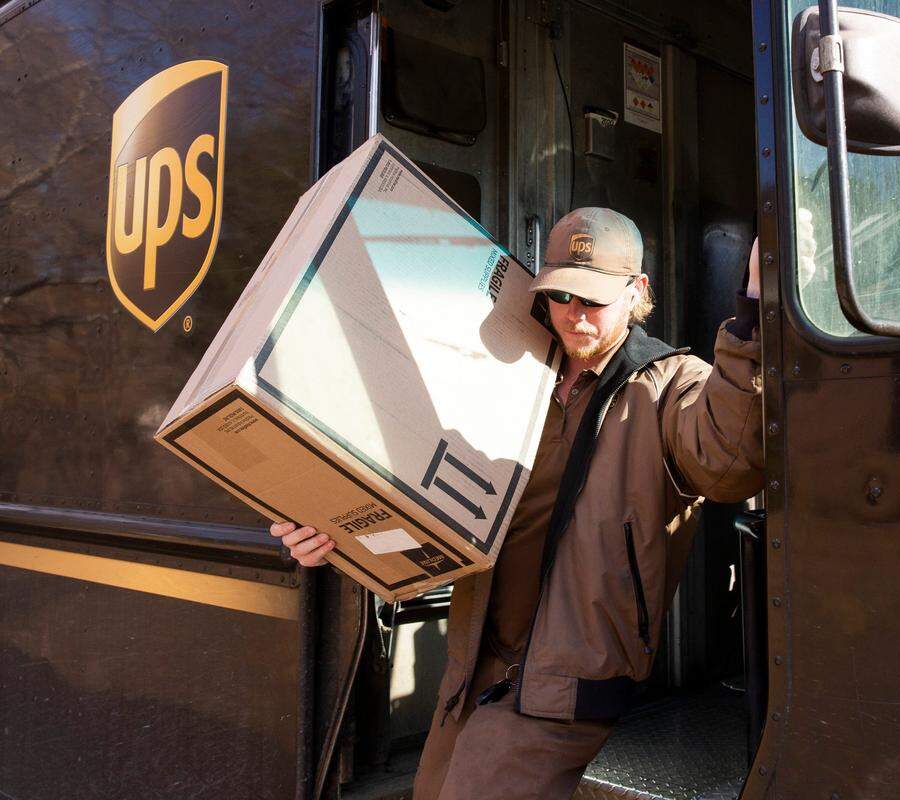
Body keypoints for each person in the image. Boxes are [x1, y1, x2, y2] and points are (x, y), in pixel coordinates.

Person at [271, 207, 765, 799]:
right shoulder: (511, 370)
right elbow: (411, 480)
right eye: (560, 296)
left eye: (594, 300)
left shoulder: (669, 382)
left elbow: (730, 462)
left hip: (567, 673)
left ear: (638, 293)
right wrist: (333, 529)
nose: (575, 315)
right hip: (476, 661)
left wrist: (755, 315)